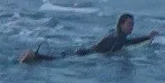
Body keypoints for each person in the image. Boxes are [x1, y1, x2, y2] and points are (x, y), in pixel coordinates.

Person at [20, 13, 156, 64]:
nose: (132, 27)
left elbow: (129, 41)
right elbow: (114, 50)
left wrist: (147, 37)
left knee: (57, 57)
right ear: (121, 25)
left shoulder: (116, 34)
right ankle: (34, 55)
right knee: (56, 60)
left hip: (85, 50)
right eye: (129, 24)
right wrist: (147, 37)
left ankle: (34, 56)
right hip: (86, 54)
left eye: (133, 24)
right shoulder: (119, 38)